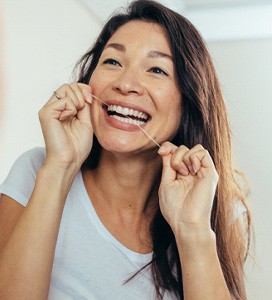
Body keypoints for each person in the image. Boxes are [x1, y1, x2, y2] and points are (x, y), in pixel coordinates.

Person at [0, 0, 252, 299]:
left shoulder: (220, 209)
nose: (126, 83)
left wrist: (193, 230)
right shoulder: (37, 169)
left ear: (189, 101)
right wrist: (60, 168)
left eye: (157, 69)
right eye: (113, 62)